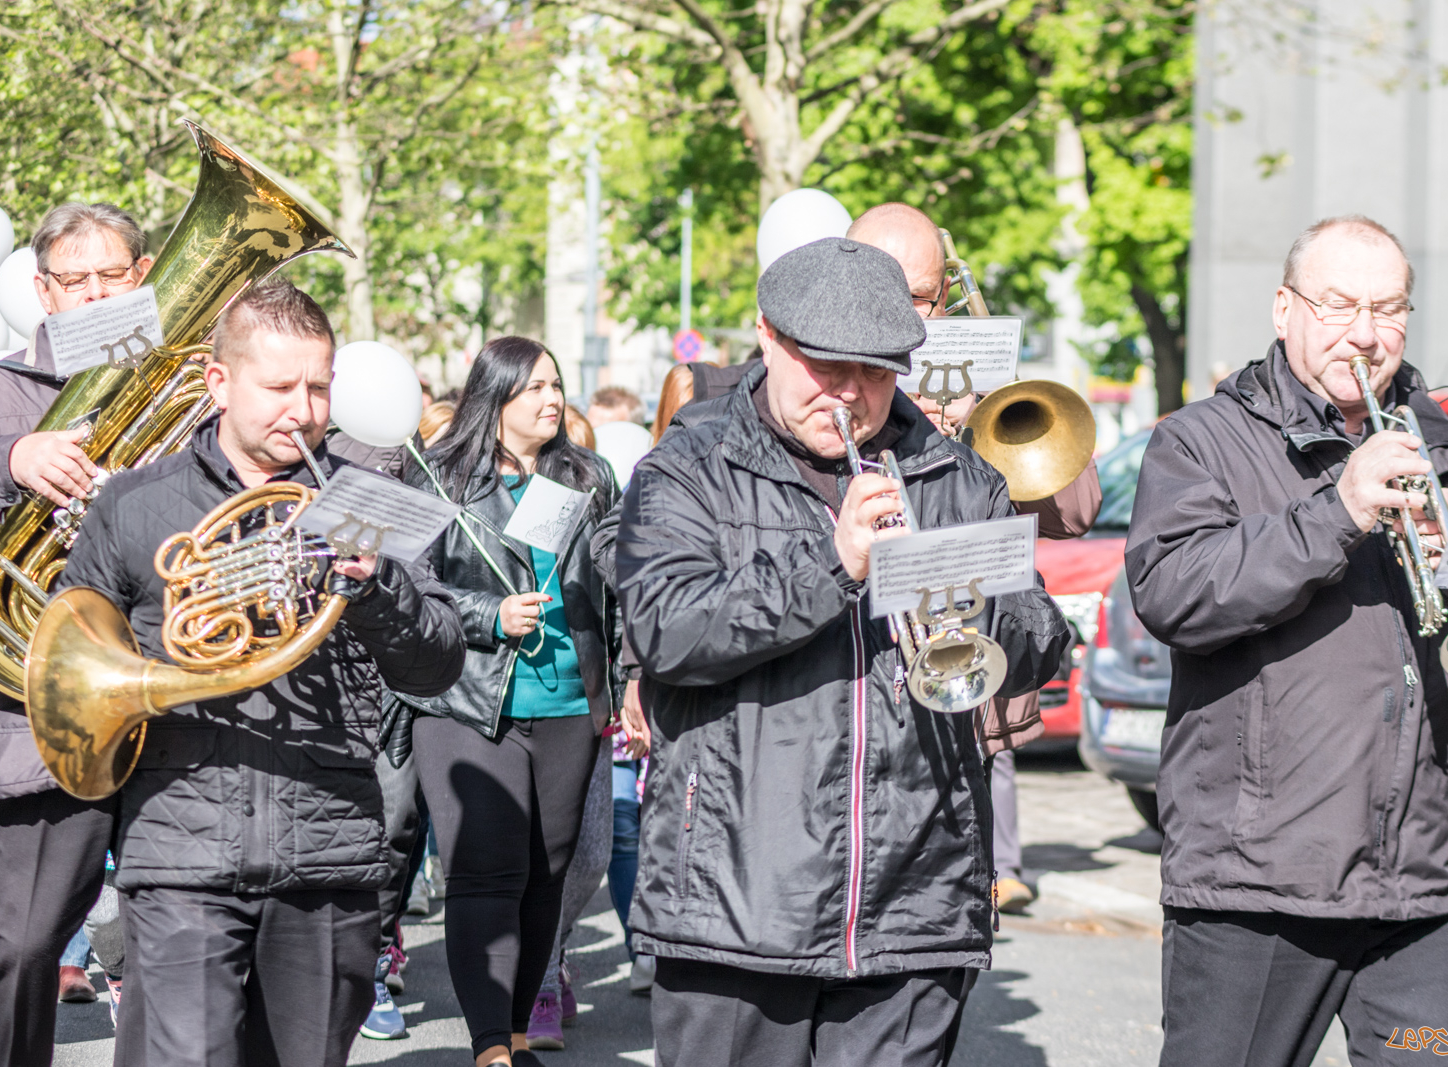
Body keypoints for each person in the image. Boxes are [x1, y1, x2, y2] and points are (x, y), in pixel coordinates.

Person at [616, 236, 1068, 1067]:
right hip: (737, 907)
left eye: (878, 369)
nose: (851, 395)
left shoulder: (958, 476)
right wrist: (837, 562)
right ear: (766, 335)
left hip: (917, 906)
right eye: (827, 367)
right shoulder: (687, 468)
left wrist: (983, 613)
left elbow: (1042, 633)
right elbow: (664, 630)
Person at [1125, 215, 1448, 1067]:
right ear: (1284, 308)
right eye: (1339, 305)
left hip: (1431, 882)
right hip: (1258, 878)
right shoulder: (1201, 441)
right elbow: (1174, 593)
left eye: (1388, 308)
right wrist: (1337, 510)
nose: (1367, 333)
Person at [58, 276, 464, 1067]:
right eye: (279, 387)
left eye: (319, 386)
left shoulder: (362, 500)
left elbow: (439, 660)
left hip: (330, 850)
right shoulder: (140, 503)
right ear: (219, 381)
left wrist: (373, 585)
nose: (304, 410)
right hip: (180, 847)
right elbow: (76, 659)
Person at [847, 201, 1102, 912]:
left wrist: (989, 414)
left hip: (968, 652)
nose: (911, 316)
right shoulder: (835, 378)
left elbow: (1076, 513)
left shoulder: (974, 364)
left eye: (924, 297)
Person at [392, 336, 625, 1067]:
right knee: (485, 867)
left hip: (567, 704)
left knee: (544, 872)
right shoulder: (443, 478)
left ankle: (519, 1031)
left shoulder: (589, 475)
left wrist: (632, 680)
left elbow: (616, 590)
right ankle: (491, 1043)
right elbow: (408, 587)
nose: (552, 399)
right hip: (466, 701)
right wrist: (487, 616)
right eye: (533, 388)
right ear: (493, 399)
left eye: (556, 385)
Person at [0, 201, 154, 1067]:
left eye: (113, 276)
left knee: (173, 952)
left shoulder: (191, 389)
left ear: (145, 280)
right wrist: (11, 461)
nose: (95, 296)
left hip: (153, 699)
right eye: (75, 280)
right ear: (44, 293)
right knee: (17, 948)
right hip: (33, 715)